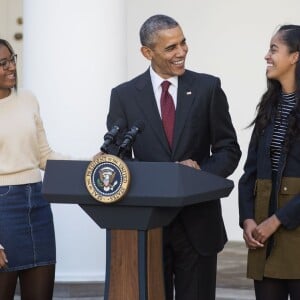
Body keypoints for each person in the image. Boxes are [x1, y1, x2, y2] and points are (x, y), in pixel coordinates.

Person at [106, 14, 241, 300]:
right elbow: (118, 159)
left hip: (198, 227)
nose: (181, 52)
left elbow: (229, 149)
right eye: (170, 48)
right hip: (148, 227)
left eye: (183, 42)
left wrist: (199, 172)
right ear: (147, 52)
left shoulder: (208, 88)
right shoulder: (124, 96)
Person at [0, 39, 68, 300]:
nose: (11, 67)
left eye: (12, 59)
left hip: (37, 204)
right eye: (2, 63)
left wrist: (89, 164)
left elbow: (44, 156)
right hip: (3, 210)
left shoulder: (28, 99)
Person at [239, 25, 300, 300]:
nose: (267, 56)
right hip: (263, 235)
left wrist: (277, 220)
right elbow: (249, 172)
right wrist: (248, 219)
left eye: (274, 49)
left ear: (295, 56)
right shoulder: (269, 106)